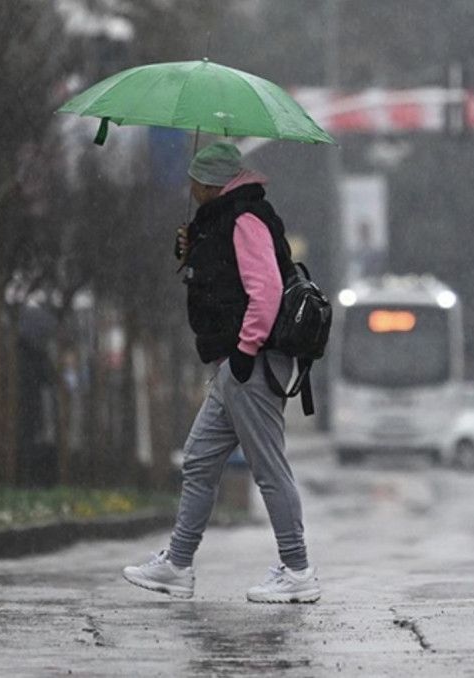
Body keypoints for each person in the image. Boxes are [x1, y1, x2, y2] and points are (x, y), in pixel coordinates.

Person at [122, 142, 320, 603]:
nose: (190, 188)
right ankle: (177, 565)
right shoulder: (221, 220)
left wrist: (246, 351)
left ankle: (297, 570)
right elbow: (221, 278)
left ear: (211, 183)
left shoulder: (246, 219)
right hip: (233, 364)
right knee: (199, 459)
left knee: (268, 467)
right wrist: (190, 249)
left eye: (194, 180)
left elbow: (266, 291)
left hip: (250, 362)